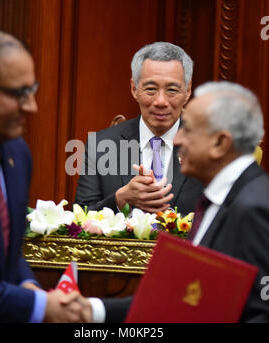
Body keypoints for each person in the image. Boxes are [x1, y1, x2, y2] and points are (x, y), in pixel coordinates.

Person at [77, 81, 269, 323]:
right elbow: (184, 297)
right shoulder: (220, 201)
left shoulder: (255, 207)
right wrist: (91, 310)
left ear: (220, 143)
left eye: (188, 130)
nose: (176, 139)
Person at [0, 28, 90, 322]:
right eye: (18, 94)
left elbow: (6, 251)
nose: (32, 106)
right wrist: (34, 307)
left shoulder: (16, 154)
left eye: (31, 90)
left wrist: (31, 288)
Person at [74, 42, 203, 215]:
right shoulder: (100, 144)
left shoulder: (207, 146)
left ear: (187, 91)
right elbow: (80, 218)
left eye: (172, 90)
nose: (161, 101)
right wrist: (120, 199)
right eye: (151, 89)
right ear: (134, 89)